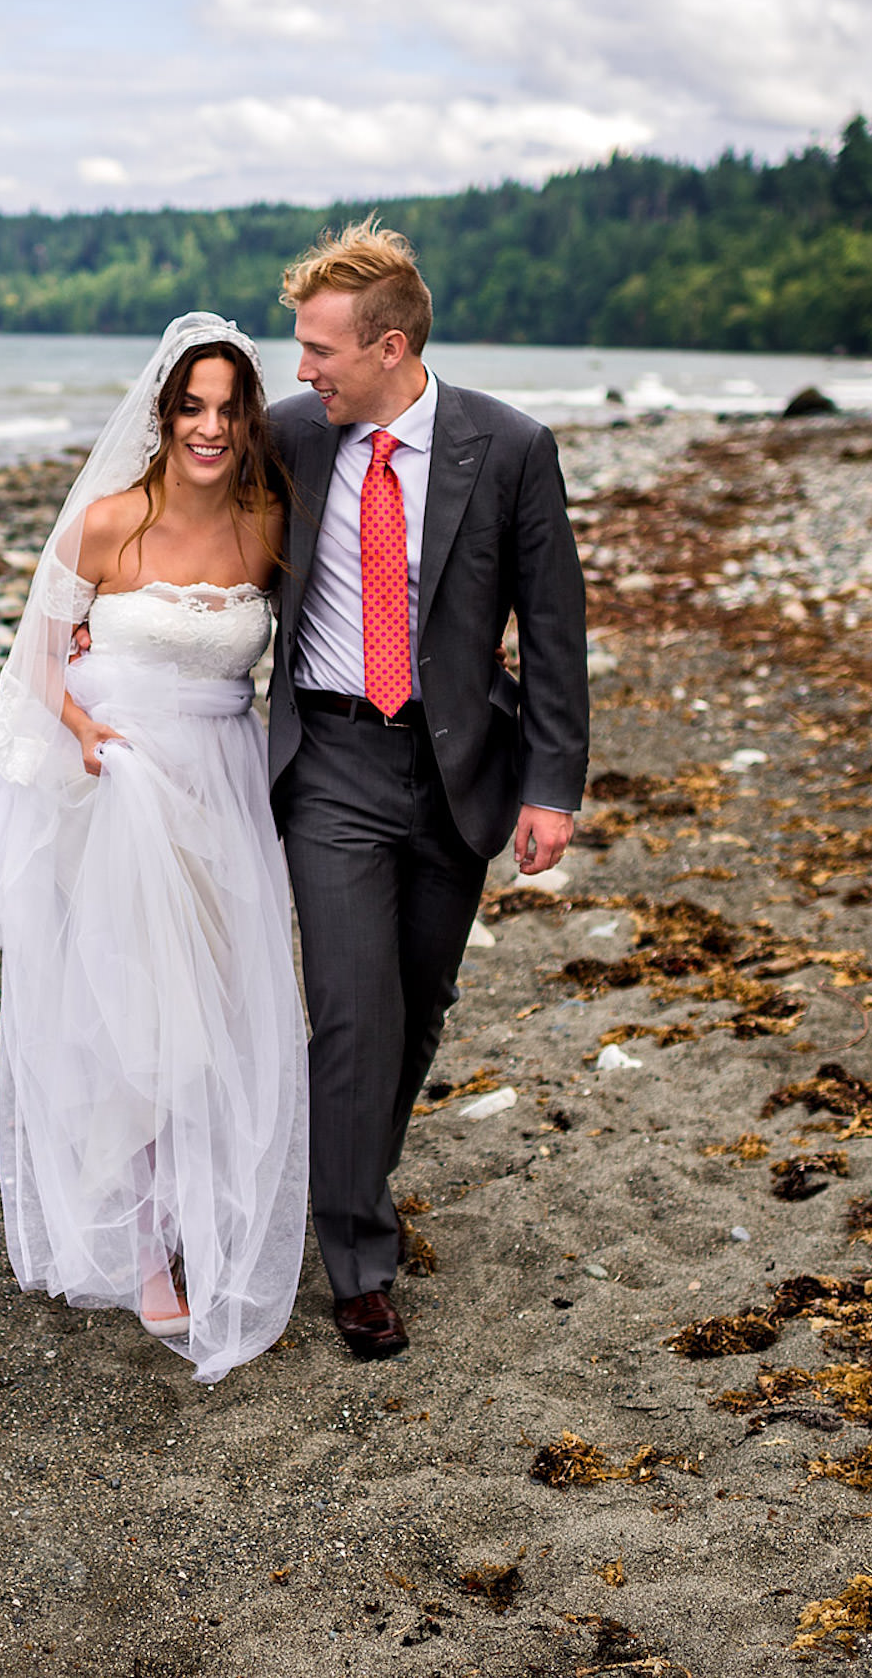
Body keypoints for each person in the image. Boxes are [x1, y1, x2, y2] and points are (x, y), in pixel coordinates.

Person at [0, 313, 309, 1384]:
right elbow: (38, 649)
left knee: (220, 1000)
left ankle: (201, 1210)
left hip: (223, 789)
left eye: (229, 409)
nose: (210, 428)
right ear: (164, 414)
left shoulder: (269, 527)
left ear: (247, 418)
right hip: (122, 792)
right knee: (135, 1009)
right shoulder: (106, 525)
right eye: (193, 407)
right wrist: (81, 727)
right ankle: (143, 1245)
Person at [266, 220, 589, 1361]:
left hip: (457, 770)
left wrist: (552, 787)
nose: (300, 368)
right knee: (351, 1007)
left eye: (318, 348)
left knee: (416, 1003)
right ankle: (357, 1256)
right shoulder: (287, 439)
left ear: (390, 346)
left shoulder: (507, 447)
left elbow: (552, 632)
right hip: (331, 766)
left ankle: (351, 1170)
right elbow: (195, 536)